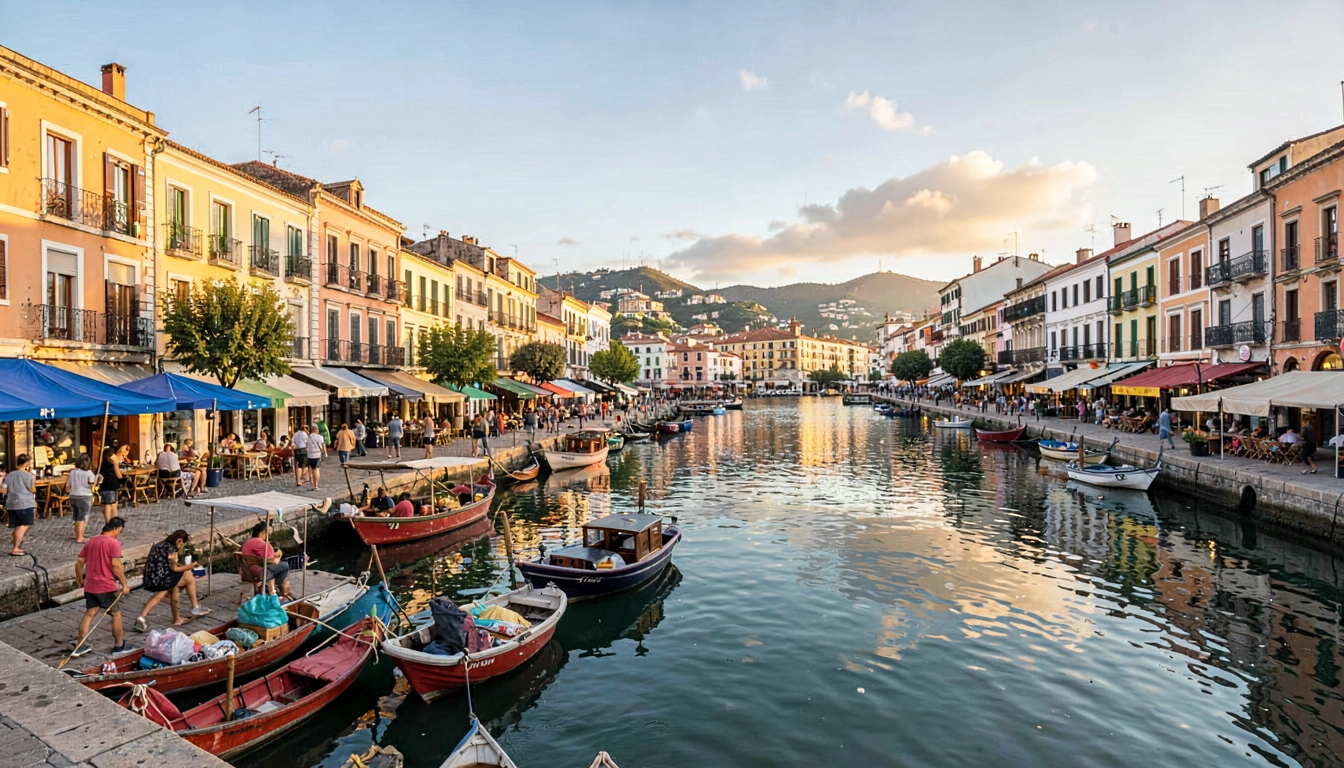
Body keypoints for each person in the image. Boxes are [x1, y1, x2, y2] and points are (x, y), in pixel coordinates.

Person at [73, 517, 130, 656]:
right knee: (116, 615)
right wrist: (124, 584)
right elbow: (116, 565)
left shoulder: (91, 541)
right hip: (106, 586)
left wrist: (79, 580)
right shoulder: (113, 543)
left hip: (90, 585)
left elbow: (79, 564)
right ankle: (119, 645)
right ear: (116, 529)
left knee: (90, 613)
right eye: (119, 531)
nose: (119, 534)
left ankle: (80, 645)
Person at [134, 530, 210, 629]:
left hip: (149, 578)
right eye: (182, 542)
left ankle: (142, 617)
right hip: (162, 579)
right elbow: (175, 568)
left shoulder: (160, 545)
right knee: (188, 576)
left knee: (164, 592)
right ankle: (195, 607)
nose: (182, 545)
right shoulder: (172, 550)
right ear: (179, 540)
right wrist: (189, 566)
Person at [241, 522, 292, 600]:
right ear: (264, 532)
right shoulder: (261, 543)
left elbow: (261, 556)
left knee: (272, 570)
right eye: (268, 533)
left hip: (247, 572)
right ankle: (275, 586)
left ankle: (270, 587)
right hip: (259, 573)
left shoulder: (247, 543)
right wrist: (277, 557)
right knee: (285, 566)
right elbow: (271, 560)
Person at [4, 454, 35, 556]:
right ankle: (15, 548)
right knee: (24, 524)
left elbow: (4, 488)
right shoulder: (28, 475)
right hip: (24, 503)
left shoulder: (9, 475)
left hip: (11, 503)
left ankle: (16, 541)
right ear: (26, 464)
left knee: (18, 524)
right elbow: (32, 489)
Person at [67, 455, 96, 544]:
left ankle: (78, 535)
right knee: (82, 517)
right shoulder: (89, 473)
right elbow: (92, 485)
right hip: (85, 496)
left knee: (76, 517)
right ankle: (80, 538)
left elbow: (67, 487)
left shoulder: (72, 472)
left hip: (73, 496)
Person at [97, 447, 124, 524]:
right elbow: (118, 475)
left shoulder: (100, 464)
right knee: (112, 505)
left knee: (106, 504)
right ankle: (112, 522)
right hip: (111, 485)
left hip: (103, 486)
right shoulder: (113, 464)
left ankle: (107, 522)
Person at [305, 424, 325, 491]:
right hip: (317, 454)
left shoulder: (308, 437)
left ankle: (312, 485)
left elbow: (306, 446)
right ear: (316, 430)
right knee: (316, 469)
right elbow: (322, 446)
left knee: (311, 470)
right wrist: (324, 452)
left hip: (309, 455)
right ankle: (316, 485)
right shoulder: (320, 437)